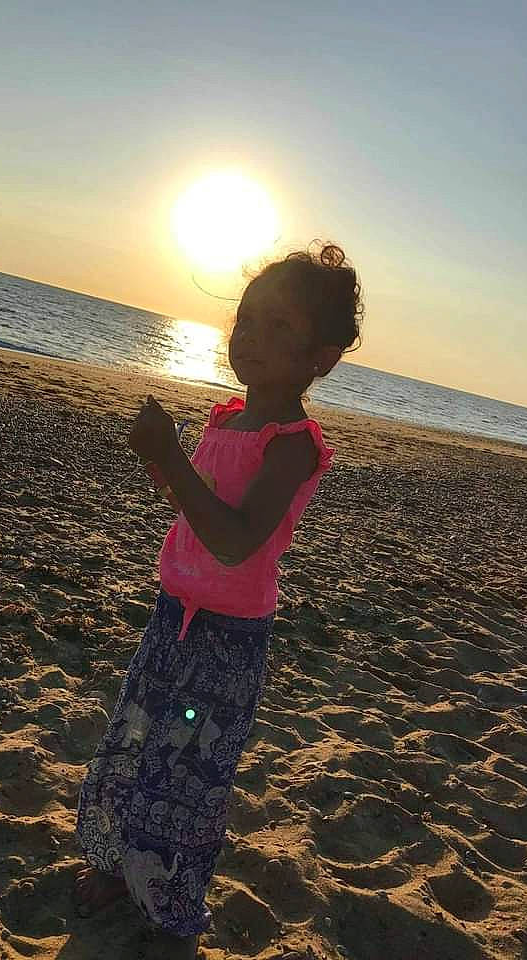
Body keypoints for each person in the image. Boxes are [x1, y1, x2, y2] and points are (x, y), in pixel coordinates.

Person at [74, 242, 363, 959]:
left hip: (227, 640)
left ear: (320, 359)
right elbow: (194, 506)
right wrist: (163, 464)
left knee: (187, 769)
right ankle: (118, 865)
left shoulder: (292, 444)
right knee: (139, 743)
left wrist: (172, 458)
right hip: (170, 619)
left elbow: (235, 542)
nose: (251, 338)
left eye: (278, 328)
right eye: (246, 320)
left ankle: (167, 901)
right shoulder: (225, 418)